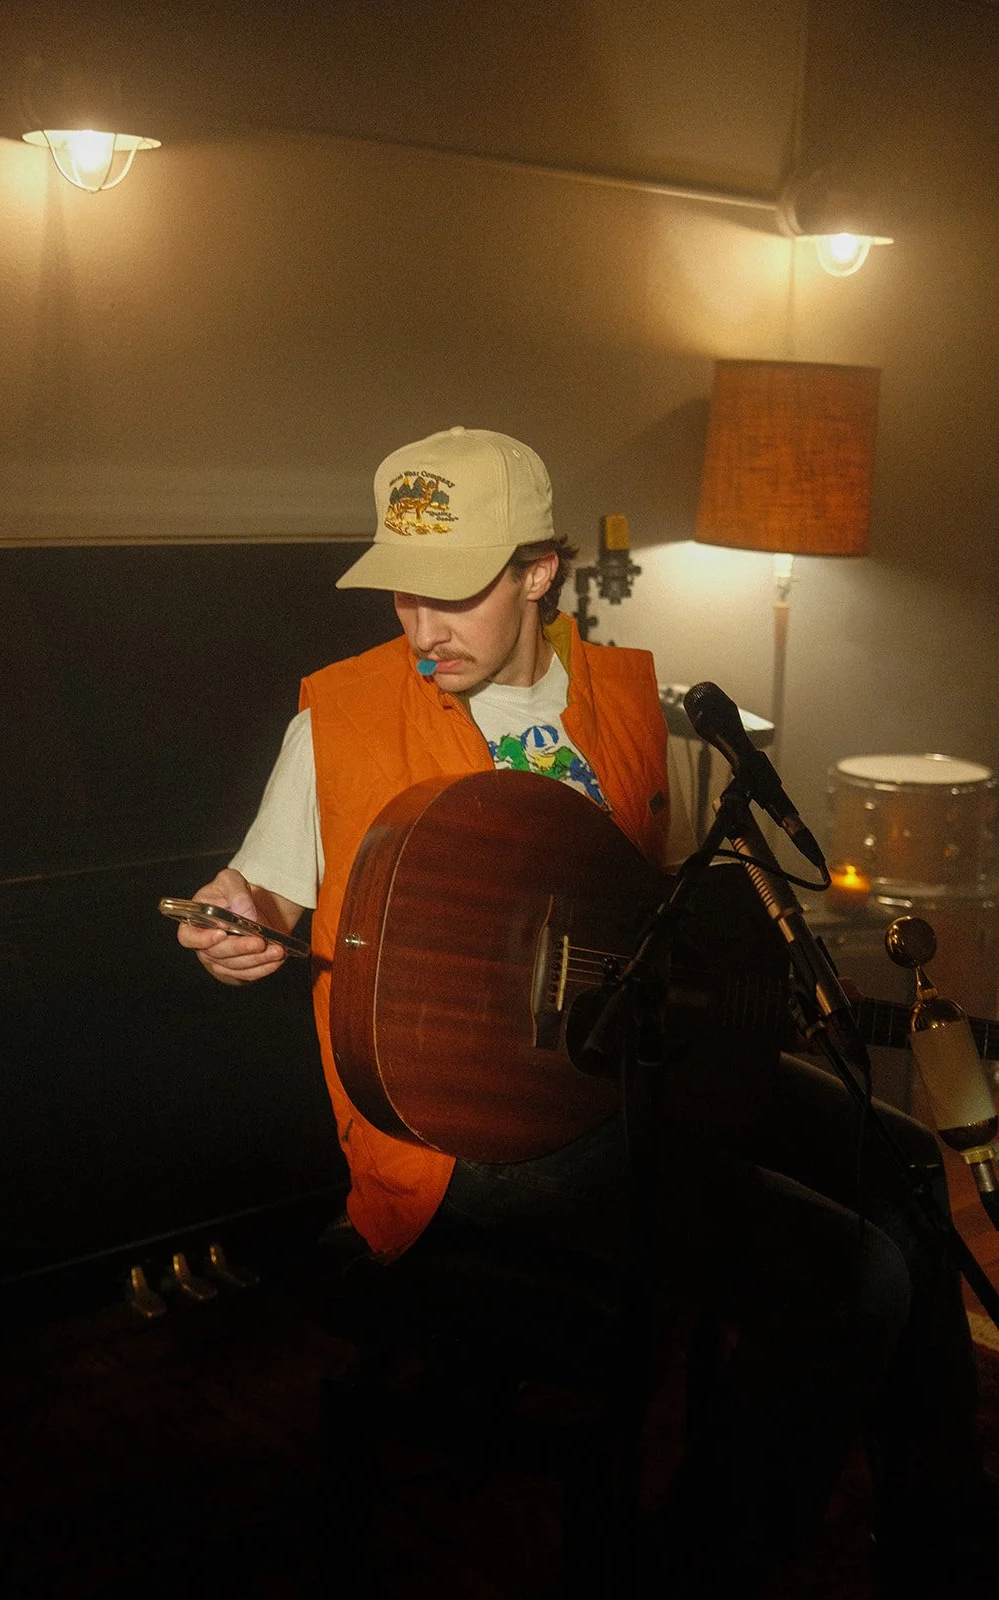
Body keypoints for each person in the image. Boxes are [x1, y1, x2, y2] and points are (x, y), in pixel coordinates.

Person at [177, 426, 995, 1595]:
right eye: (403, 592)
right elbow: (260, 892)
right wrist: (231, 923)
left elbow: (640, 911)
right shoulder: (336, 720)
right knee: (849, 1274)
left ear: (539, 572)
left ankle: (939, 1531)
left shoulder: (623, 700)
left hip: (619, 1070)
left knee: (908, 1164)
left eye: (454, 592)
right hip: (456, 1134)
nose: (420, 629)